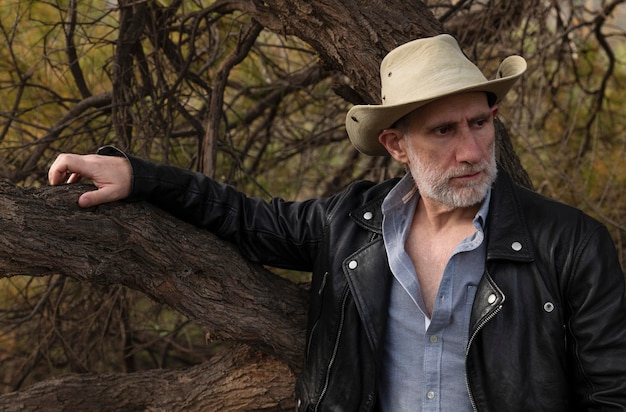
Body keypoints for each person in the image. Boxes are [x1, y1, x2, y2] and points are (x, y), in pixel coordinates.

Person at [49, 34, 626, 411]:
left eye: (479, 122)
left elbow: (613, 392)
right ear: (396, 144)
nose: (472, 150)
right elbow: (243, 218)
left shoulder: (570, 243)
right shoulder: (351, 224)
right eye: (444, 131)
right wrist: (139, 177)